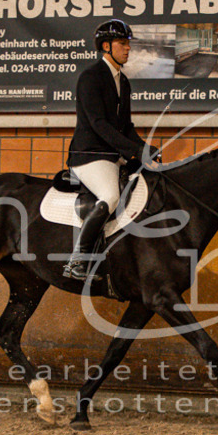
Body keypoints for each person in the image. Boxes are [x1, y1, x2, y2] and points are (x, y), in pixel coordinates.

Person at [63, 19, 158, 281]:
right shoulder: (90, 78)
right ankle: (77, 260)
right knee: (110, 195)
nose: (128, 49)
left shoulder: (123, 81)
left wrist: (144, 149)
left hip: (112, 155)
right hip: (89, 156)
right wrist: (133, 151)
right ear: (106, 46)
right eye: (123, 44)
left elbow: (125, 126)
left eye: (128, 44)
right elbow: (98, 124)